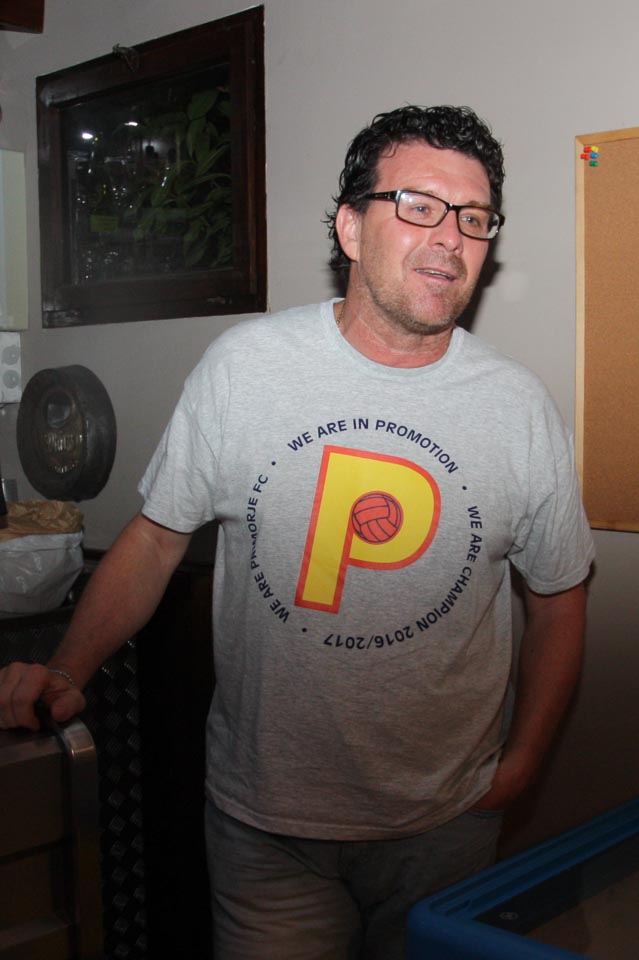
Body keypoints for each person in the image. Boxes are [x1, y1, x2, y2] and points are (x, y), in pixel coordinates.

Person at [0, 105, 594, 959]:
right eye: (419, 206)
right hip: (266, 829)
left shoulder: (519, 408)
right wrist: (67, 668)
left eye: (473, 217)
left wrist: (526, 762)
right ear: (350, 227)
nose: (450, 238)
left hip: (444, 826)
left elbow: (560, 595)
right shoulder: (246, 367)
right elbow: (156, 539)